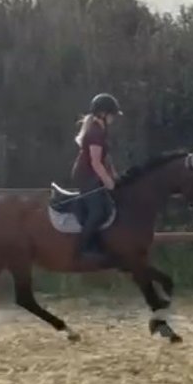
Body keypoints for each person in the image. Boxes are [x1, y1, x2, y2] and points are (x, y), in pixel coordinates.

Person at [71, 92, 122, 261]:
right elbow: (95, 162)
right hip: (86, 175)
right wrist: (108, 181)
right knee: (98, 210)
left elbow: (105, 157)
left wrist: (113, 174)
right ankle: (83, 247)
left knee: (109, 205)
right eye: (112, 115)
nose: (114, 118)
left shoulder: (101, 129)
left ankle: (99, 242)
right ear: (103, 114)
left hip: (93, 173)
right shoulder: (95, 132)